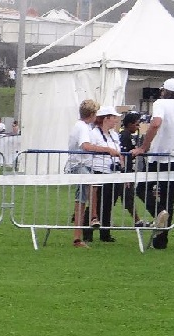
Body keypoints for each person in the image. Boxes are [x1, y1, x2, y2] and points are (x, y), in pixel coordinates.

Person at [131, 77, 174, 249]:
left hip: (159, 156)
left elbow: (156, 123)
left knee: (142, 189)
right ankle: (161, 241)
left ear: (163, 91)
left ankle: (159, 213)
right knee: (169, 198)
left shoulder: (161, 103)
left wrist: (144, 146)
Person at [67, 99, 118, 248]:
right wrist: (108, 150)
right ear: (92, 114)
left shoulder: (84, 126)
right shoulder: (82, 127)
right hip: (79, 165)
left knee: (83, 199)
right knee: (87, 191)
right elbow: (86, 146)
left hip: (82, 164)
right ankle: (93, 217)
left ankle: (80, 234)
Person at [82, 106, 123, 244]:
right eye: (113, 117)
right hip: (98, 170)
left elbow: (119, 152)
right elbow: (89, 148)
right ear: (106, 118)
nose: (116, 120)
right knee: (96, 202)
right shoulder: (93, 134)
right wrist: (106, 150)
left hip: (113, 172)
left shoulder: (114, 135)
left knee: (109, 203)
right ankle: (87, 232)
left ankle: (105, 233)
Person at [117, 112, 150, 227]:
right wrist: (125, 172)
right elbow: (123, 155)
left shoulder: (128, 136)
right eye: (136, 124)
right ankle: (88, 218)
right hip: (124, 172)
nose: (138, 127)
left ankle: (137, 220)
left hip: (127, 172)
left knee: (128, 197)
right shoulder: (125, 135)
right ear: (130, 124)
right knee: (126, 196)